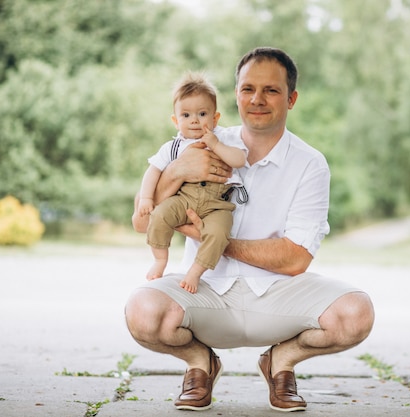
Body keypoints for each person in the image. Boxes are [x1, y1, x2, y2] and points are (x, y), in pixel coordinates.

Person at [126, 47, 374, 412]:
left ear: (291, 98)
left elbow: (294, 260)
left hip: (279, 295)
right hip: (204, 290)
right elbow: (143, 223)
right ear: (236, 94)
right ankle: (200, 363)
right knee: (141, 310)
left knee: (356, 313)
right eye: (247, 89)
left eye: (271, 90)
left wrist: (211, 239)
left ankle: (281, 361)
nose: (257, 99)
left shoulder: (310, 164)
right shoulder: (197, 142)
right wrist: (178, 172)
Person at [136, 72, 247, 293]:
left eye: (202, 113)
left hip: (217, 204)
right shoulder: (173, 148)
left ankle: (195, 272)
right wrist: (147, 198)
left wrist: (216, 145)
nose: (194, 120)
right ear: (176, 121)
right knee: (159, 215)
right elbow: (153, 171)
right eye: (186, 115)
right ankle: (160, 259)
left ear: (215, 118)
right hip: (183, 200)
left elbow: (240, 159)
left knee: (219, 234)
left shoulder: (223, 138)